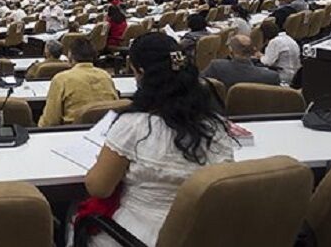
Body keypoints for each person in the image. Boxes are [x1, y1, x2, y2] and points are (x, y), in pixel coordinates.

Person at [83, 33, 234, 247]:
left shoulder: (134, 126)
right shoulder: (216, 126)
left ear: (141, 73)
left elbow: (98, 187)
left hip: (140, 236)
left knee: (72, 212)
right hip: (205, 235)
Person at [38, 38, 117, 126]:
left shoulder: (61, 79)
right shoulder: (106, 76)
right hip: (104, 130)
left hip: (71, 132)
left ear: (70, 55)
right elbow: (116, 106)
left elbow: (50, 121)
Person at [201, 35, 280, 90]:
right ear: (253, 52)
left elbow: (198, 83)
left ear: (230, 52)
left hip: (223, 111)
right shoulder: (272, 77)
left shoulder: (216, 66)